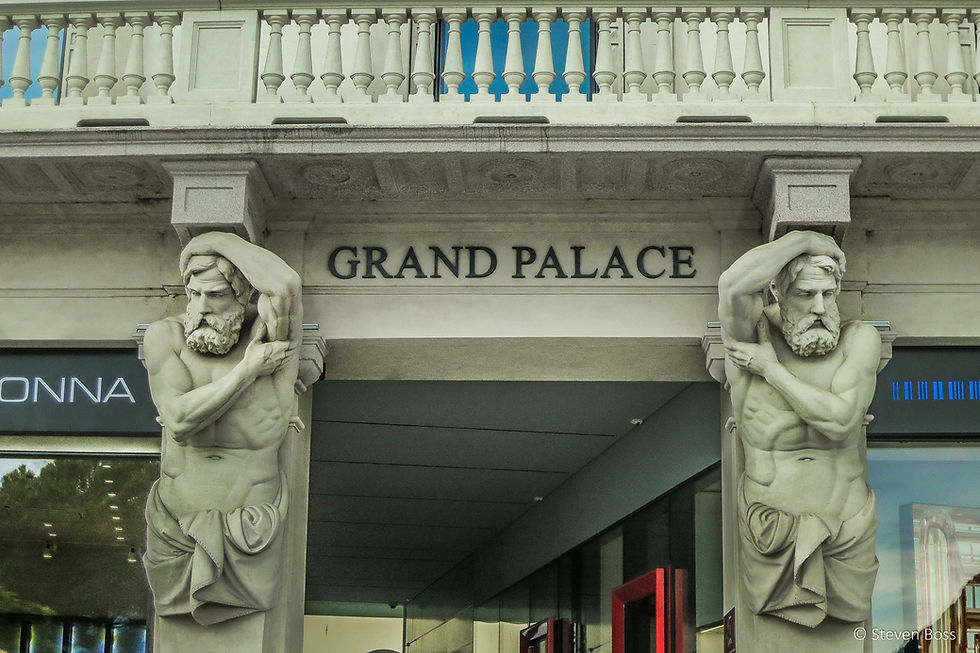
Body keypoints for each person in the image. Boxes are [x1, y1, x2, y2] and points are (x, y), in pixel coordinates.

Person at [718, 230, 880, 628]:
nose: (821, 307)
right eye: (806, 295)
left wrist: (771, 370)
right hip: (770, 534)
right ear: (777, 293)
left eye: (828, 294)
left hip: (847, 534)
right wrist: (806, 238)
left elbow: (841, 423)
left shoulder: (859, 339)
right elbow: (731, 285)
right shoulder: (748, 333)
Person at [141, 231, 302, 626]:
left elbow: (287, 285)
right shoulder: (167, 337)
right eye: (194, 294)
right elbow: (178, 421)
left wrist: (216, 239)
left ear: (244, 296)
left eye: (215, 295)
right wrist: (247, 371)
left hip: (252, 531)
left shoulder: (268, 337)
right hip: (176, 529)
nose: (201, 306)